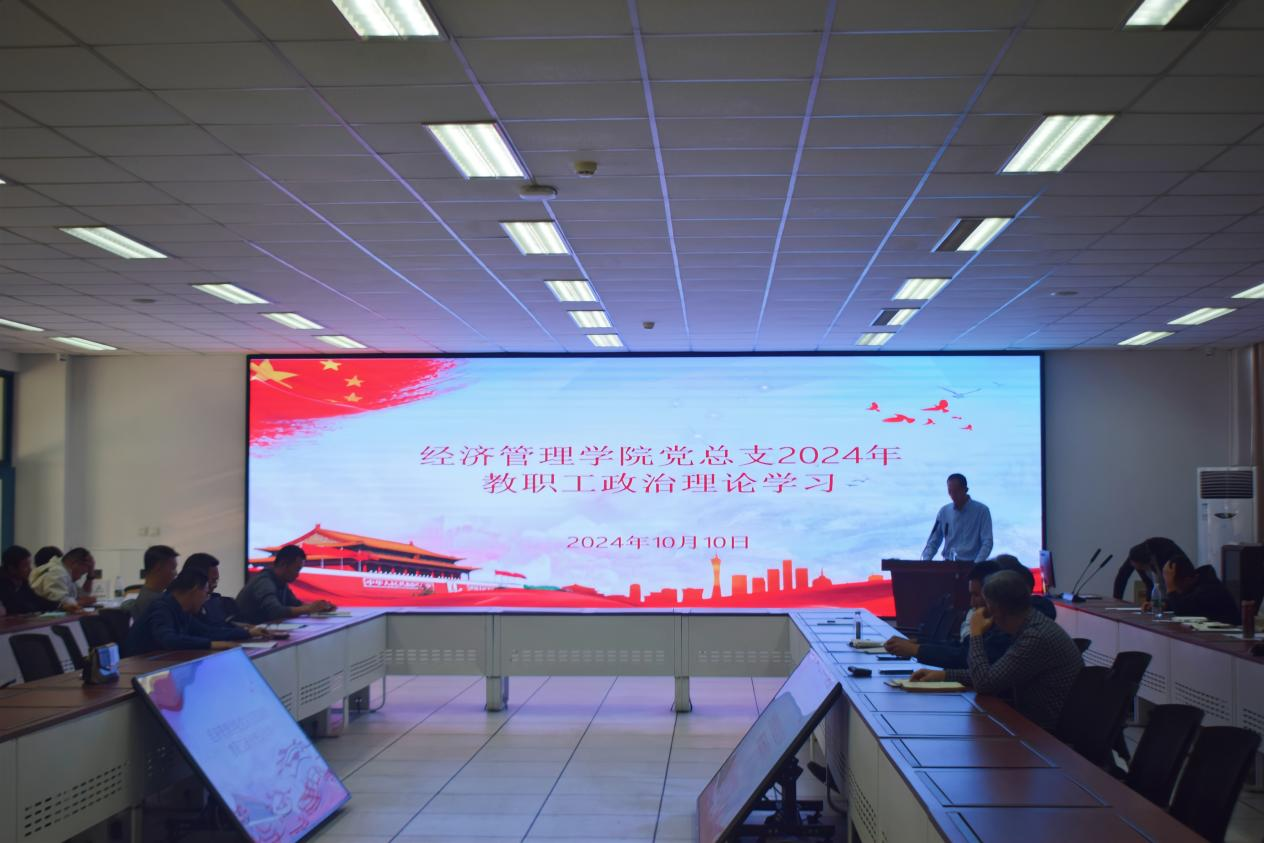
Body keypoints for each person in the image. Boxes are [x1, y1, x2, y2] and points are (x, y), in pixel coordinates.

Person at [912, 570, 1082, 731]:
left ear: (996, 610)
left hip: (1044, 735)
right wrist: (944, 675)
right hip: (1030, 723)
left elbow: (985, 683)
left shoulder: (1035, 636)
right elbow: (995, 675)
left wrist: (976, 633)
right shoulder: (1030, 625)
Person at [885, 557, 1056, 668]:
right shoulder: (1004, 621)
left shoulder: (1022, 630)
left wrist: (917, 650)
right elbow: (966, 652)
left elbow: (979, 672)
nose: (971, 603)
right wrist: (919, 647)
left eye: (976, 595)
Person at [123, 569, 263, 656]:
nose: (206, 599)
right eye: (206, 594)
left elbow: (208, 631)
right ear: (195, 589)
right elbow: (169, 639)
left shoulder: (181, 611)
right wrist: (212, 644)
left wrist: (248, 633)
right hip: (137, 667)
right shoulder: (161, 607)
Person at [234, 545, 335, 623]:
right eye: (296, 569)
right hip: (247, 635)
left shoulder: (281, 581)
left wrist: (319, 607)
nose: (297, 574)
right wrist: (308, 608)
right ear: (283, 565)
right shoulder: (264, 581)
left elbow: (297, 604)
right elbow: (276, 612)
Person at [921, 473, 993, 563]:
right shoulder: (944, 512)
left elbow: (987, 542)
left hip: (972, 563)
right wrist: (925, 562)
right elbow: (933, 541)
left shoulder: (982, 511)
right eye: (950, 491)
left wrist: (977, 565)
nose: (953, 495)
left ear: (965, 489)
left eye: (956, 491)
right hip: (948, 564)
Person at [1160, 553, 1238, 625]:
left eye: (1175, 584)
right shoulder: (1196, 583)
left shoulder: (1208, 588)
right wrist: (1164, 604)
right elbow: (1182, 602)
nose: (1176, 589)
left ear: (1187, 580)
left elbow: (1182, 611)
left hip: (1226, 633)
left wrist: (1170, 587)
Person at [1112, 537, 1185, 601]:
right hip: (1157, 597)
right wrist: (1117, 600)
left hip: (1178, 593)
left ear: (1148, 562)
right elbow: (1122, 576)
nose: (1140, 570)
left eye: (1141, 568)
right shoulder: (1136, 555)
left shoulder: (1166, 552)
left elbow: (1177, 585)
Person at [29, 545, 95, 611]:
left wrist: (91, 572)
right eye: (82, 573)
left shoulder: (65, 571)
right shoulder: (57, 573)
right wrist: (79, 602)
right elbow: (61, 604)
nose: (80, 577)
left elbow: (83, 595)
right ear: (75, 564)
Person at [0, 545, 61, 615]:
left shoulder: (28, 583)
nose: (30, 569)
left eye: (30, 565)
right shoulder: (3, 585)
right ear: (12, 569)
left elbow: (46, 603)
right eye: (25, 566)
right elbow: (16, 607)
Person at [126, 545, 180, 620]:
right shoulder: (155, 603)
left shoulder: (149, 595)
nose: (176, 573)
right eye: (173, 568)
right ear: (157, 568)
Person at [182, 553, 236, 625]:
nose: (215, 585)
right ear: (197, 579)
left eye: (216, 580)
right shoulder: (181, 610)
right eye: (213, 580)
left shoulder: (216, 602)